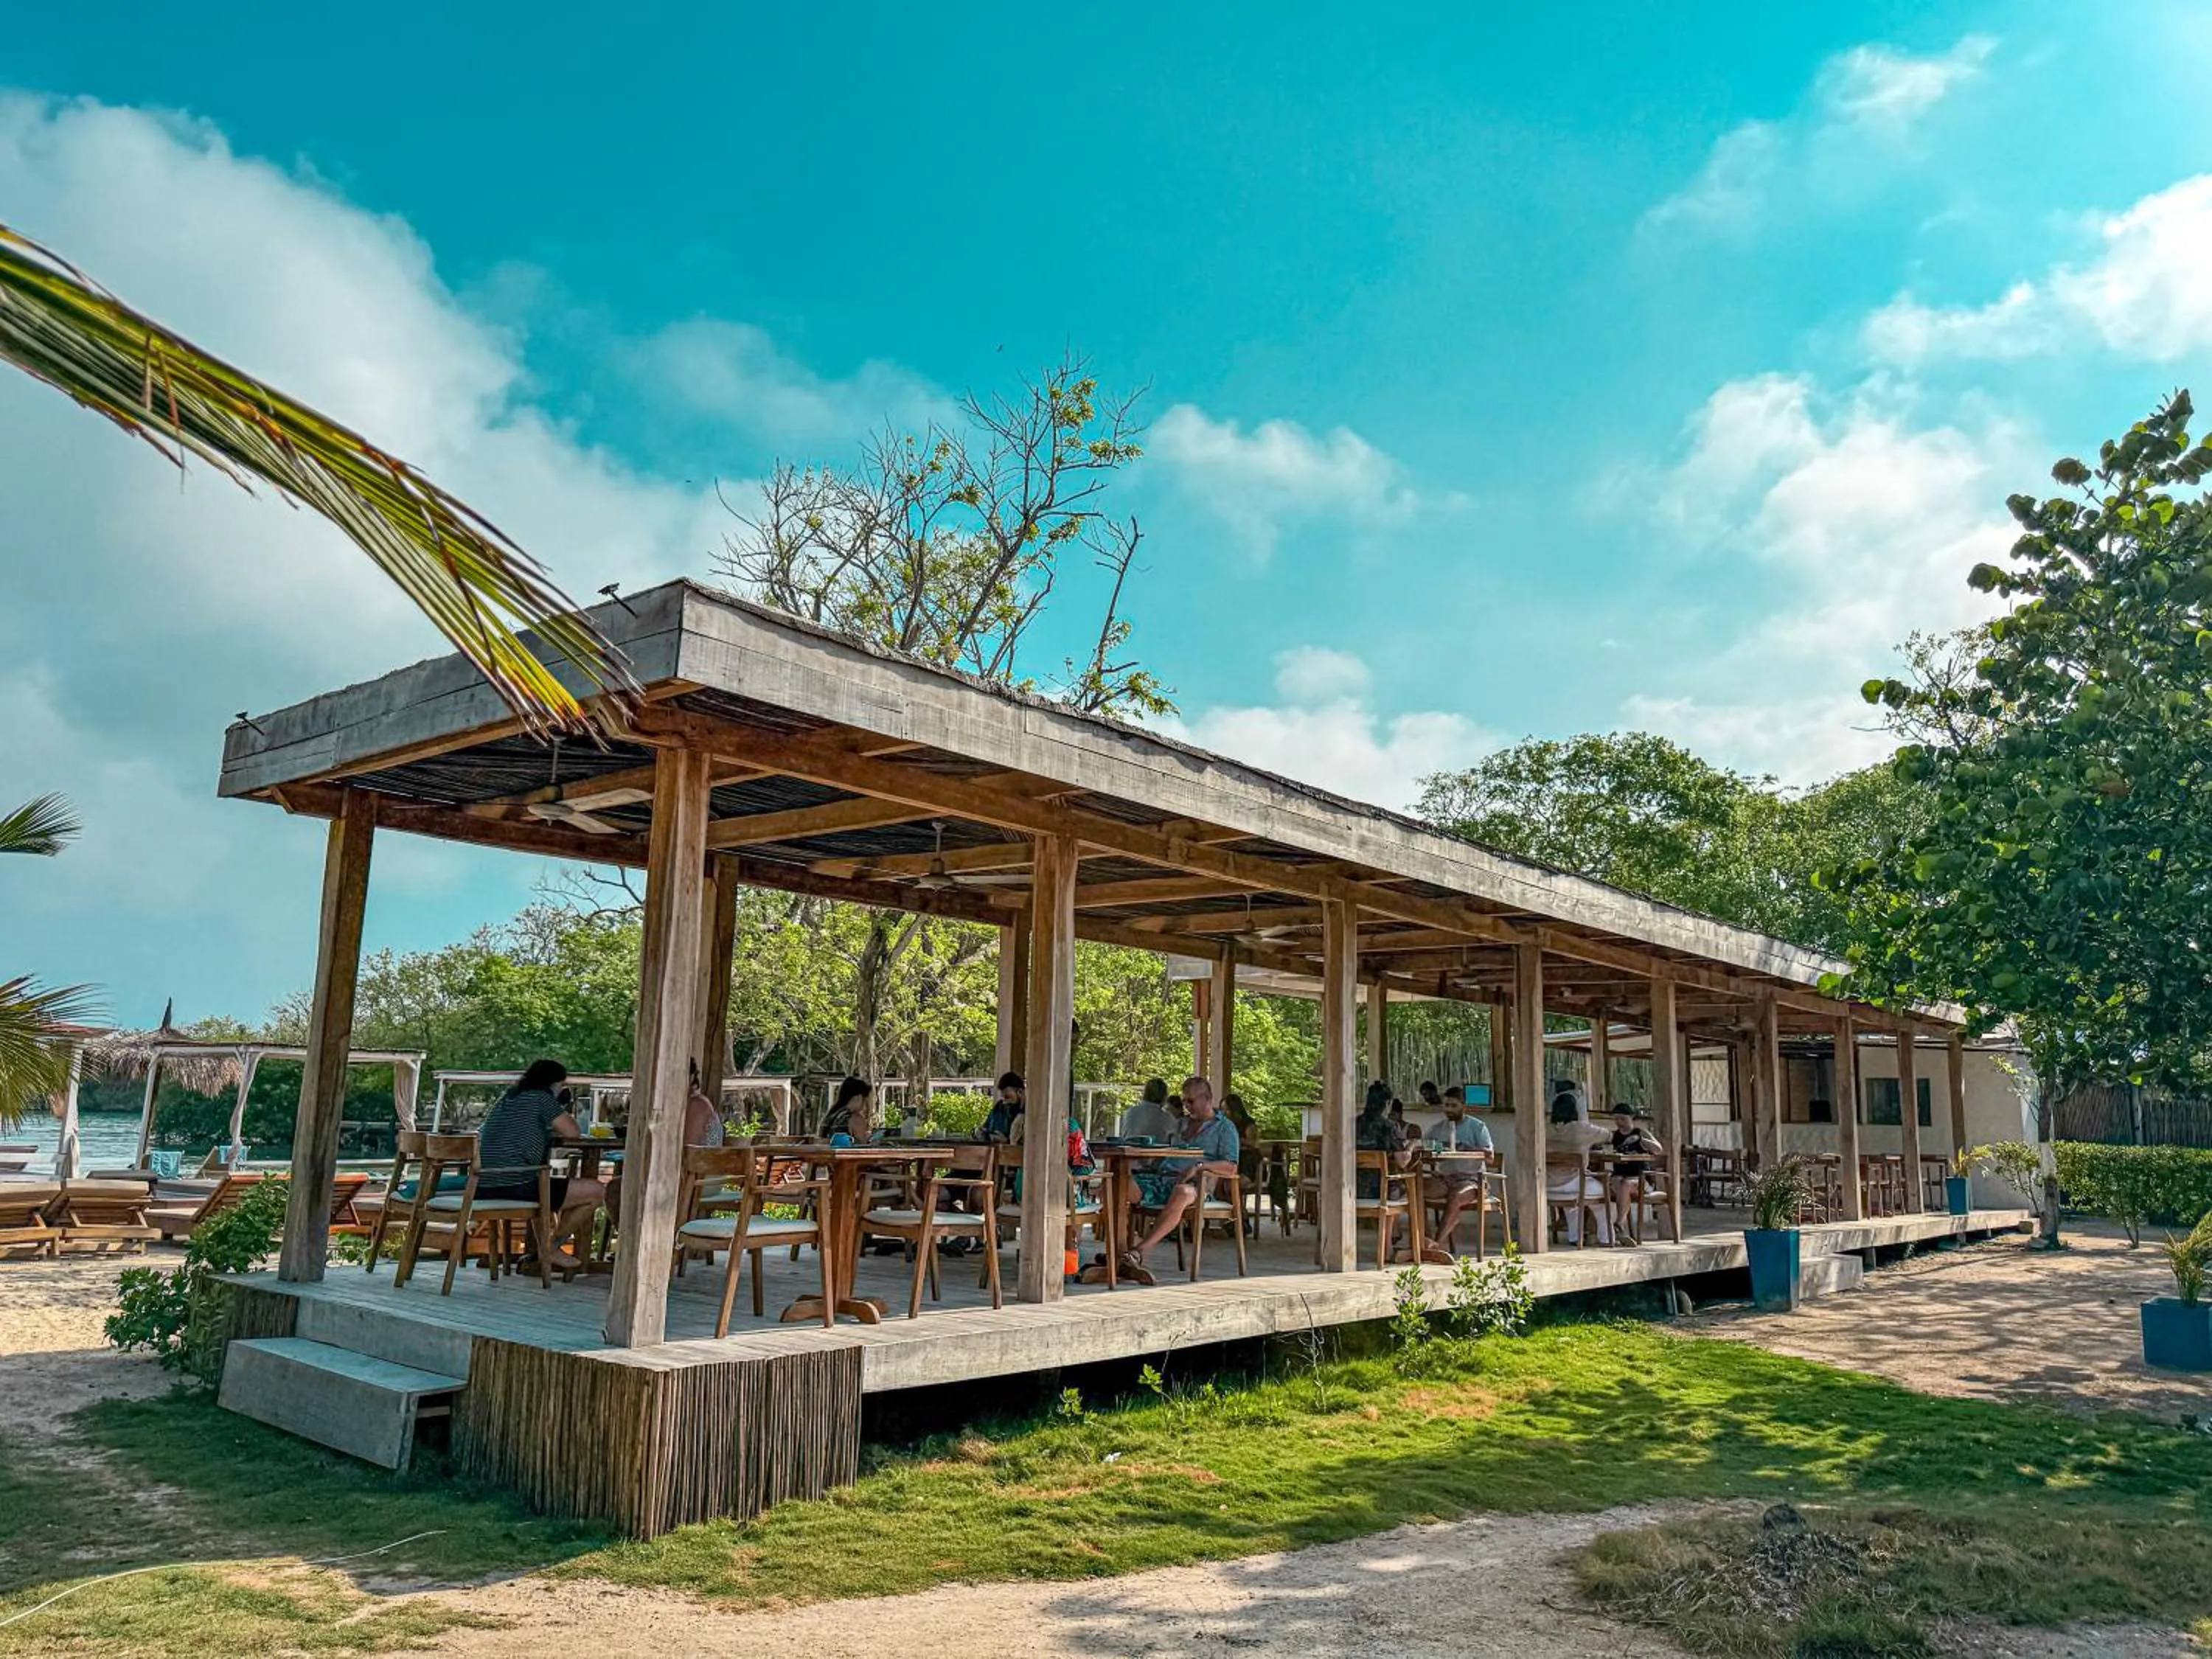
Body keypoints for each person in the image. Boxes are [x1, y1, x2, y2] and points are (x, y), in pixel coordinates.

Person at [476, 1059, 603, 1270]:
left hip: (486, 1183)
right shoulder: (541, 1099)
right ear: (554, 1084)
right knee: (597, 1191)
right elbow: (573, 1132)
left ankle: (543, 1249)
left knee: (542, 1183)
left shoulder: (508, 1097)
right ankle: (551, 1246)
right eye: (562, 1085)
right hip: (518, 1184)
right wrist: (561, 1104)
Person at [1121, 1076, 1239, 1282]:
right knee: (1118, 1183)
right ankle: (1117, 1253)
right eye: (1184, 1101)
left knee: (1182, 1192)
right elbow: (1166, 1152)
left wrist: (1200, 1167)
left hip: (1198, 1187)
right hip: (1162, 1179)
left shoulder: (1225, 1128)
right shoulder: (1180, 1124)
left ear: (1207, 1098)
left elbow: (1231, 1167)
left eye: (1191, 1101)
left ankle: (1139, 1252)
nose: (1186, 1105)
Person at [1423, 1085, 1495, 1251]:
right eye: (1446, 1105)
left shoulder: (1477, 1127)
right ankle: (1423, 1238)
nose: (1449, 1110)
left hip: (1472, 1180)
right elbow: (1423, 1145)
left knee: (1456, 1196)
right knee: (1415, 1190)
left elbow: (1490, 1156)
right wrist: (1432, 1149)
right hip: (1445, 1177)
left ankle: (1436, 1244)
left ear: (1464, 1106)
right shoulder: (1438, 1128)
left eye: (1453, 1106)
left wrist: (1467, 1148)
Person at [1545, 1092, 1613, 1245]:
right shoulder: (1582, 1128)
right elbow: (1609, 1136)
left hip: (1547, 1186)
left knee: (1576, 1197)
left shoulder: (1545, 1129)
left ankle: (1575, 1237)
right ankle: (1606, 1237)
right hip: (1574, 1183)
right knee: (1604, 1194)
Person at [1607, 1107, 1663, 1237]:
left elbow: (1658, 1149)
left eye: (1623, 1119)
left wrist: (1641, 1141)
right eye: (1616, 1119)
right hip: (1619, 1176)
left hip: (1640, 1179)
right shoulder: (1614, 1135)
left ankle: (1620, 1223)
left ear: (1631, 1118)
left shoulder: (1640, 1132)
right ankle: (1607, 1230)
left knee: (1625, 1184)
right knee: (1614, 1182)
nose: (1619, 1122)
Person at [1118, 1077, 1177, 1142]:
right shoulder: (1167, 1119)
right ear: (1164, 1096)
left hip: (1128, 1151)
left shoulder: (1129, 1112)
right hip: (1155, 1152)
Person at [821, 1075, 874, 1142]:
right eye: (865, 1101)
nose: (865, 1106)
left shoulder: (831, 1116)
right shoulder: (855, 1119)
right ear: (859, 1097)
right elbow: (864, 1144)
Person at [979, 1071, 1025, 1142]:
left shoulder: (1025, 1114)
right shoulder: (999, 1108)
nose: (1004, 1100)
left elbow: (1015, 1139)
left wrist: (1006, 1141)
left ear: (1020, 1092)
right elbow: (987, 1126)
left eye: (1008, 1097)